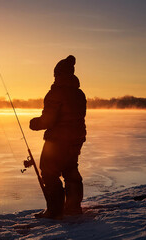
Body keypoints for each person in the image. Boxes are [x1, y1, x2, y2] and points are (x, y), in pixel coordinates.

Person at [29, 55, 86, 219]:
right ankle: (73, 207)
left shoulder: (56, 93)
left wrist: (34, 123)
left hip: (58, 140)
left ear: (60, 74)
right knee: (71, 170)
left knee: (49, 172)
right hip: (76, 139)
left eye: (56, 74)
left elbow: (49, 120)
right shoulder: (79, 94)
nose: (55, 77)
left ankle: (55, 211)